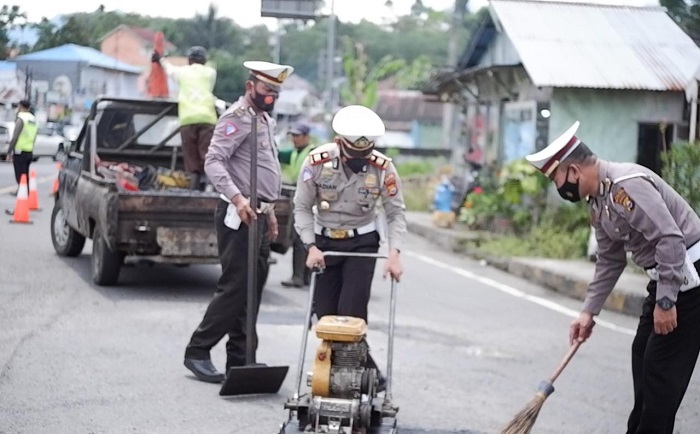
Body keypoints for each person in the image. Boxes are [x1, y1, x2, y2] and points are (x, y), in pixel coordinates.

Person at [525, 121, 700, 434]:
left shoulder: (626, 185)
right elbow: (610, 259)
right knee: (642, 358)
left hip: (690, 280)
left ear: (574, 170)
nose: (558, 187)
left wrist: (666, 300)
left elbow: (670, 240)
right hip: (667, 278)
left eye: (556, 179)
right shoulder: (599, 201)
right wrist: (588, 311)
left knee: (660, 371)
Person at [182, 60, 294, 383]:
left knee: (252, 289)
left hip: (260, 213)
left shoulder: (265, 121)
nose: (271, 96)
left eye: (275, 92)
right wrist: (238, 198)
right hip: (239, 214)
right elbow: (213, 162)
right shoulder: (236, 118)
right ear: (250, 87)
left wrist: (269, 209)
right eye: (266, 90)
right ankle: (198, 350)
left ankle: (242, 359)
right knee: (235, 287)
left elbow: (261, 170)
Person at [293, 105, 406, 391]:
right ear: (338, 141)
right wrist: (310, 247)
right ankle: (360, 373)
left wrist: (394, 255)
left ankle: (350, 380)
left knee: (351, 313)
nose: (360, 161)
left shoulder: (383, 168)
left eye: (364, 156)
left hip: (362, 243)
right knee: (326, 317)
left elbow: (395, 213)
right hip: (325, 243)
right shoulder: (316, 162)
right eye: (353, 156)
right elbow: (302, 208)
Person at [152, 46, 218, 190]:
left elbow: (169, 69)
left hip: (187, 119)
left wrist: (160, 59)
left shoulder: (181, 72)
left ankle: (193, 189)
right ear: (204, 60)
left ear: (189, 60)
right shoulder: (211, 72)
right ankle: (209, 188)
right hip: (207, 119)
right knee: (208, 155)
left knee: (191, 159)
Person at [280, 121, 316, 288]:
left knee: (300, 238)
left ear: (306, 137)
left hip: (309, 201)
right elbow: (277, 154)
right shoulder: (295, 153)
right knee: (303, 238)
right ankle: (305, 277)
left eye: (297, 136)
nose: (294, 139)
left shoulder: (313, 153)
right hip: (299, 197)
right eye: (292, 135)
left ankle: (299, 276)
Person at [5, 100, 37, 198]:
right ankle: (23, 191)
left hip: (20, 151)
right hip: (29, 150)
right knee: (25, 173)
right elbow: (34, 136)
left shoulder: (21, 118)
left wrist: (9, 151)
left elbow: (15, 136)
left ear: (21, 107)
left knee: (19, 174)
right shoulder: (33, 119)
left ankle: (22, 192)